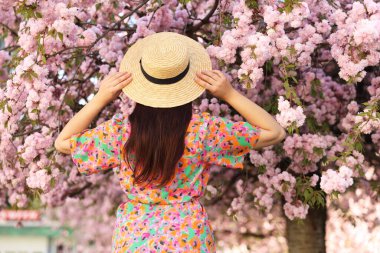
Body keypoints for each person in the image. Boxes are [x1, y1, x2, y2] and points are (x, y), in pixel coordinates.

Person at [55, 32, 286, 252]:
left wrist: (100, 98)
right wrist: (229, 94)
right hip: (188, 237)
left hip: (135, 238)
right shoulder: (203, 131)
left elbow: (63, 142)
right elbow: (274, 132)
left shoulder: (121, 132)